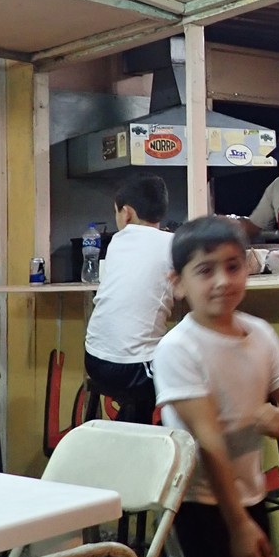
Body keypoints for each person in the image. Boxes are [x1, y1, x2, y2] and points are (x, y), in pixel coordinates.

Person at [138, 216, 279, 557]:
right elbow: (208, 441)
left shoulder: (260, 334)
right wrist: (237, 526)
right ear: (178, 284)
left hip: (250, 498)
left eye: (233, 267)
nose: (222, 281)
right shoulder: (178, 348)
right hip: (194, 510)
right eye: (205, 270)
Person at [83, 176, 174, 425]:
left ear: (126, 214)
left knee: (147, 390)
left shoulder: (116, 242)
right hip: (131, 366)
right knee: (191, 373)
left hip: (94, 359)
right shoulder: (174, 244)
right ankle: (161, 441)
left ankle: (130, 435)